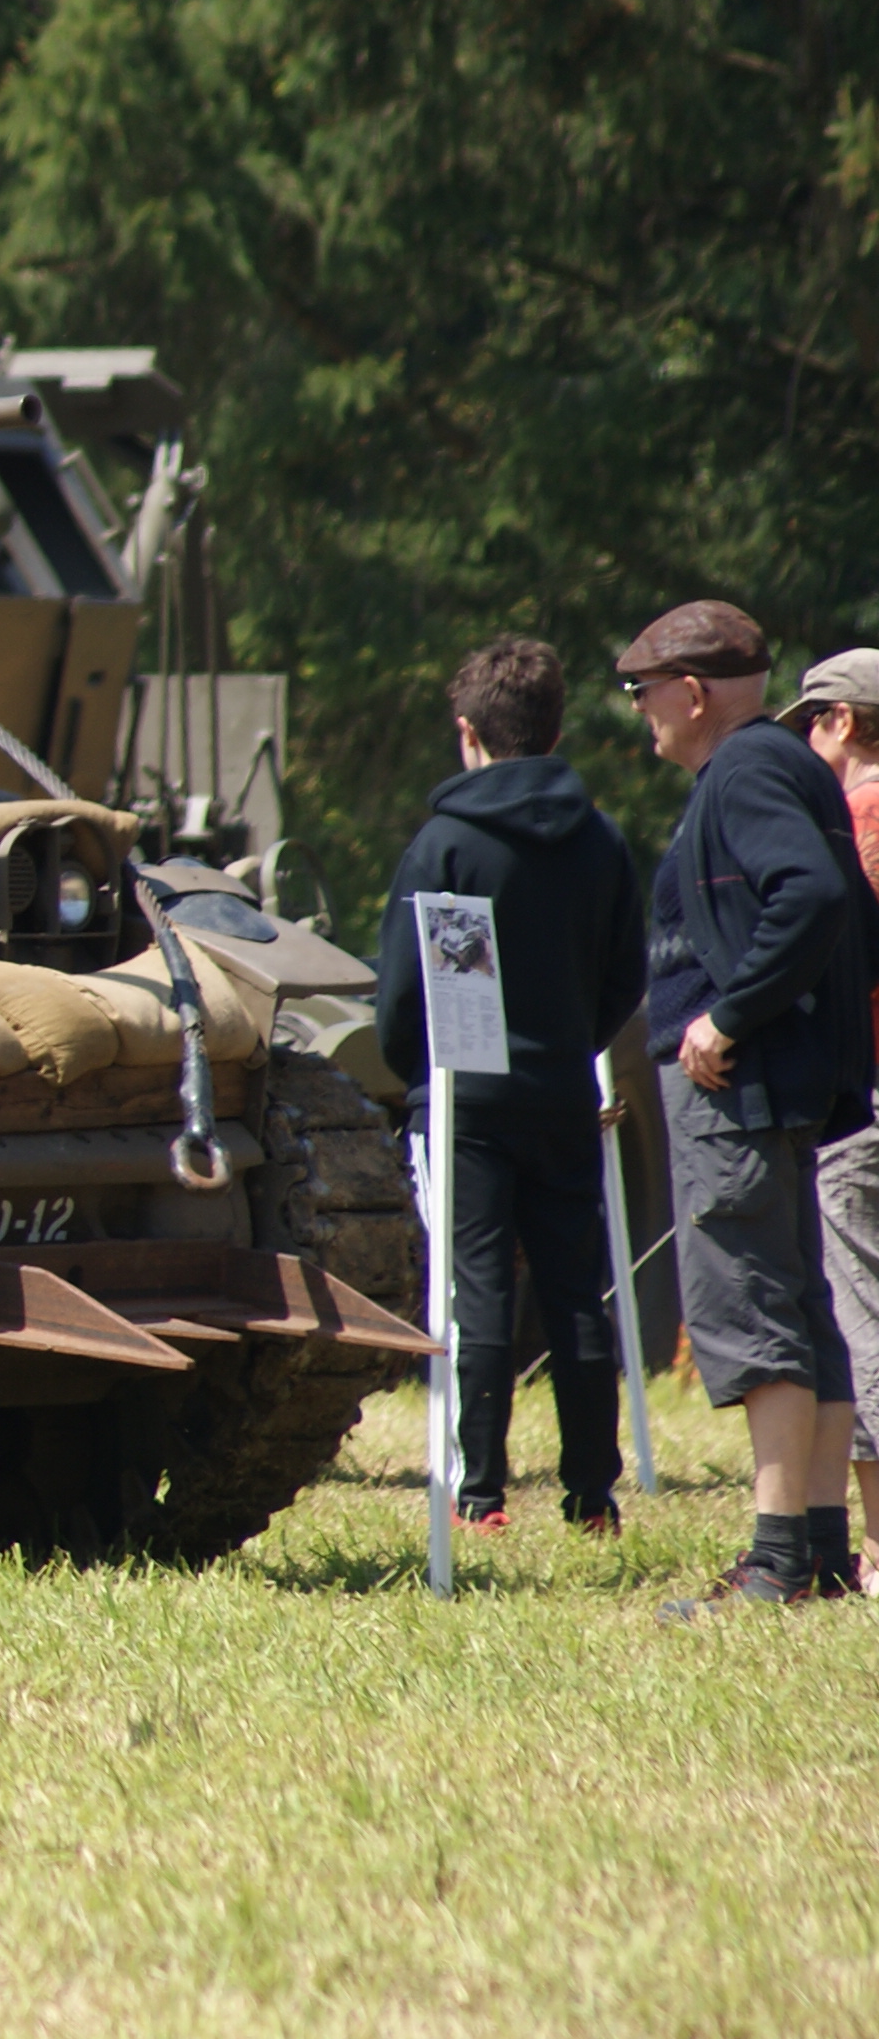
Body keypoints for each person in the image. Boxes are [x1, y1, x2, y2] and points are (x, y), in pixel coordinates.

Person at [620, 600, 876, 1616]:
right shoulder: (786, 771)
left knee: (749, 1308)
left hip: (736, 1088)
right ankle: (813, 1551)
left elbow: (813, 897)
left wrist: (726, 1019)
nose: (638, 712)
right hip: (783, 1082)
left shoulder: (741, 771)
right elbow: (852, 908)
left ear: (689, 692)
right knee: (797, 1309)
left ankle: (773, 1562)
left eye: (641, 692)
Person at [371, 638, 645, 1534]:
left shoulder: (443, 845)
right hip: (563, 1091)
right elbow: (624, 974)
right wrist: (572, 1044)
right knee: (576, 1292)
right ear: (557, 728)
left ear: (466, 734)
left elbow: (403, 993)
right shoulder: (600, 839)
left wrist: (417, 1074)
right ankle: (592, 1494)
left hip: (464, 1103)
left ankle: (479, 1492)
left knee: (474, 1290)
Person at [778, 646, 879, 1574]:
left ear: (843, 723)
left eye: (811, 721)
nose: (806, 741)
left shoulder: (856, 818)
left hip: (866, 1095)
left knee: (857, 1313)